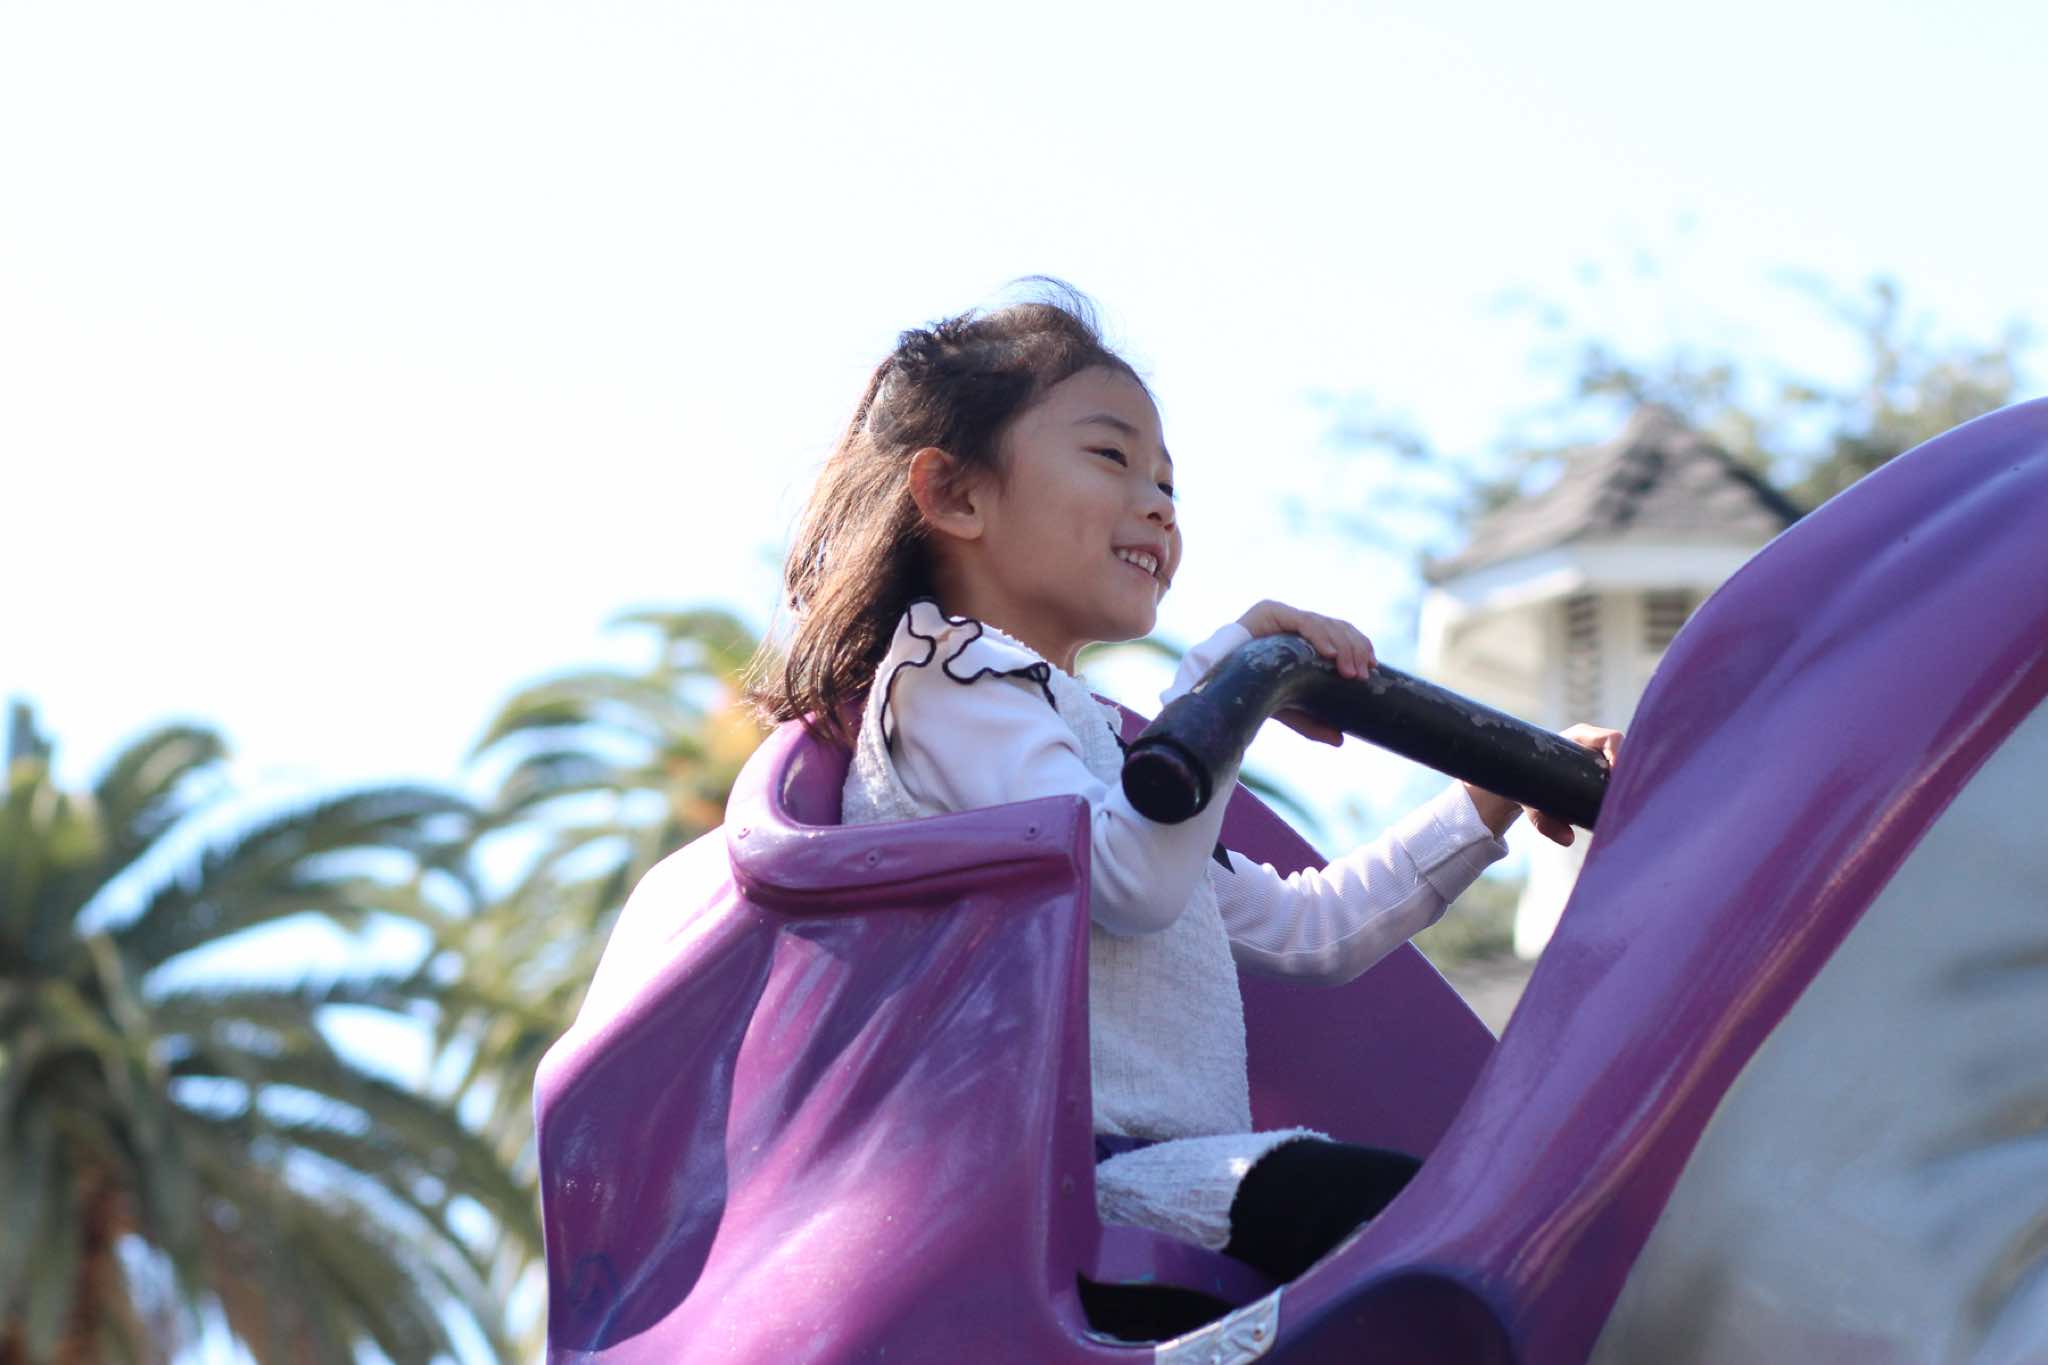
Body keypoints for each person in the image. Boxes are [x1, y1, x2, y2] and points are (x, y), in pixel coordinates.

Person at [747, 284, 1622, 1340]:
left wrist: (1484, 801)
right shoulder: (950, 680)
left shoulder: (1075, 743)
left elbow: (1309, 930)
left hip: (1154, 1176)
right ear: (956, 495)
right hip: (1048, 1190)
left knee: (1456, 1234)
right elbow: (1130, 880)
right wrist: (1219, 684)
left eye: (1166, 481)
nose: (1159, 505)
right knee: (1424, 1238)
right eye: (1110, 458)